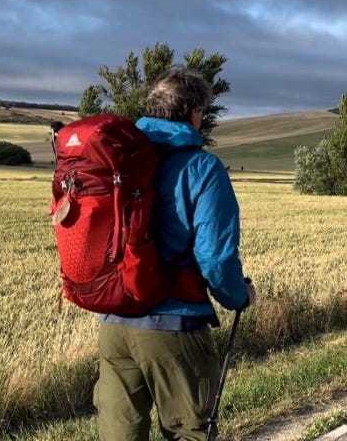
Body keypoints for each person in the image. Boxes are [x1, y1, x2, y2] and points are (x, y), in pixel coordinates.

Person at [95, 66, 257, 441]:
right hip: (174, 325)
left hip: (115, 321)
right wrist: (238, 297)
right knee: (189, 432)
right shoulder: (202, 168)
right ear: (195, 112)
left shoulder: (121, 162)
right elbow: (215, 257)